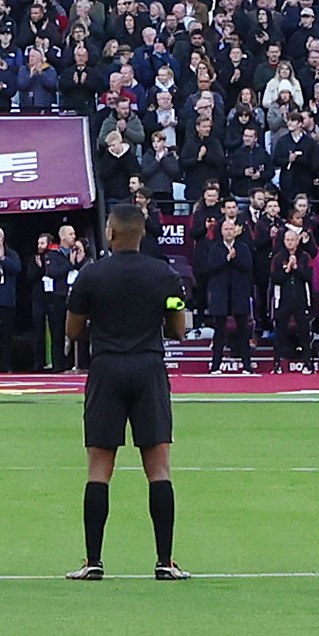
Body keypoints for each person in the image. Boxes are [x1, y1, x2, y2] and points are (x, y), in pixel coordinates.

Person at [62, 199, 189, 578]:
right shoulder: (165, 276)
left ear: (111, 232)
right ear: (142, 234)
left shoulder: (91, 276)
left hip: (106, 369)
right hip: (148, 368)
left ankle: (94, 560)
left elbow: (72, 330)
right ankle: (165, 561)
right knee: (159, 469)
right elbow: (178, 327)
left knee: (99, 469)